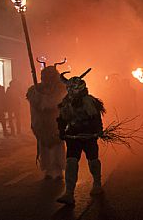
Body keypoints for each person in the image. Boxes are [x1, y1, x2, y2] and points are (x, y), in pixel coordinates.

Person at [56, 68, 105, 205]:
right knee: (71, 162)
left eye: (73, 89)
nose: (71, 92)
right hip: (73, 137)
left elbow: (96, 118)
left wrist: (98, 130)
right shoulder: (66, 103)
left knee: (93, 161)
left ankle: (97, 183)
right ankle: (69, 193)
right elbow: (62, 119)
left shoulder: (90, 102)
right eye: (69, 89)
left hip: (89, 136)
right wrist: (61, 131)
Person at [27, 62, 67, 180]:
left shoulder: (61, 88)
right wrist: (40, 97)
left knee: (57, 147)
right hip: (42, 124)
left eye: (50, 77)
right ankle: (48, 171)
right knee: (45, 147)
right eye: (45, 77)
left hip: (56, 124)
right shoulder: (34, 89)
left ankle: (58, 170)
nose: (47, 80)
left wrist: (45, 100)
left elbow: (57, 103)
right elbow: (36, 103)